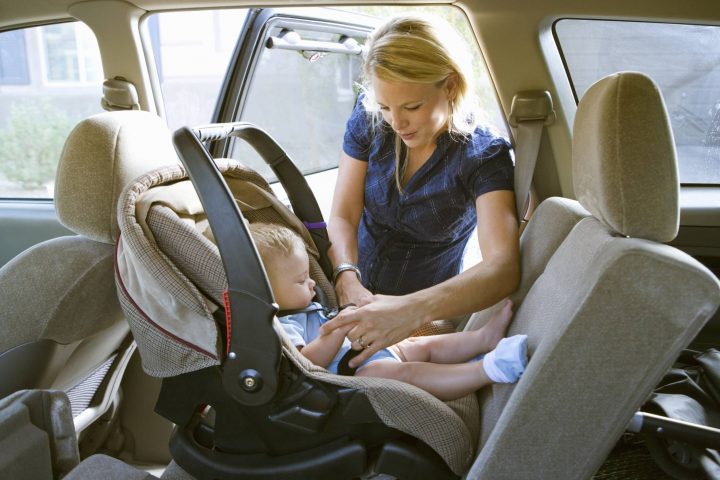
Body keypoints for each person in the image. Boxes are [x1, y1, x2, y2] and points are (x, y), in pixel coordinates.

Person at [324, 14, 520, 368]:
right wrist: (346, 277)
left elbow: (502, 268)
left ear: (450, 86)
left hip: (428, 318)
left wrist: (408, 313)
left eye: (411, 107)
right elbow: (344, 214)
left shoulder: (484, 156)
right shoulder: (370, 120)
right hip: (351, 294)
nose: (396, 123)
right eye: (385, 107)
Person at [250, 223, 527, 402]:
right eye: (300, 281)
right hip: (352, 375)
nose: (312, 283)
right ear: (267, 292)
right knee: (409, 373)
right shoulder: (283, 324)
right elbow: (305, 363)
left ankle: (482, 339)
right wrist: (339, 329)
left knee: (422, 344)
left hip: (364, 352)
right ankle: (488, 370)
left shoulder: (306, 307)